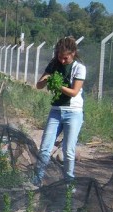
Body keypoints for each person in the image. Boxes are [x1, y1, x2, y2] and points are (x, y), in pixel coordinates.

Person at [32, 36, 86, 187]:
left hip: (73, 112)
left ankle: (68, 184)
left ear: (73, 53)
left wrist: (58, 86)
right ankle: (36, 181)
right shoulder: (53, 64)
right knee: (45, 148)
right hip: (56, 111)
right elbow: (38, 85)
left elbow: (74, 92)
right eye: (59, 57)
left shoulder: (79, 68)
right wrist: (46, 80)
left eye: (65, 58)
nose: (62, 60)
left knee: (68, 151)